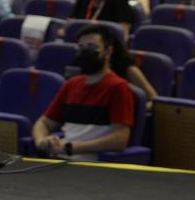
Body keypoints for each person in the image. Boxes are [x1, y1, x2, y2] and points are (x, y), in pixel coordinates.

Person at [32, 25, 134, 159]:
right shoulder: (71, 84)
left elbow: (120, 139)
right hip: (61, 159)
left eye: (92, 47)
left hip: (91, 165)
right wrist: (41, 141)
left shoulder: (118, 87)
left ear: (108, 52)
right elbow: (43, 123)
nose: (85, 52)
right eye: (81, 47)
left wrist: (72, 148)